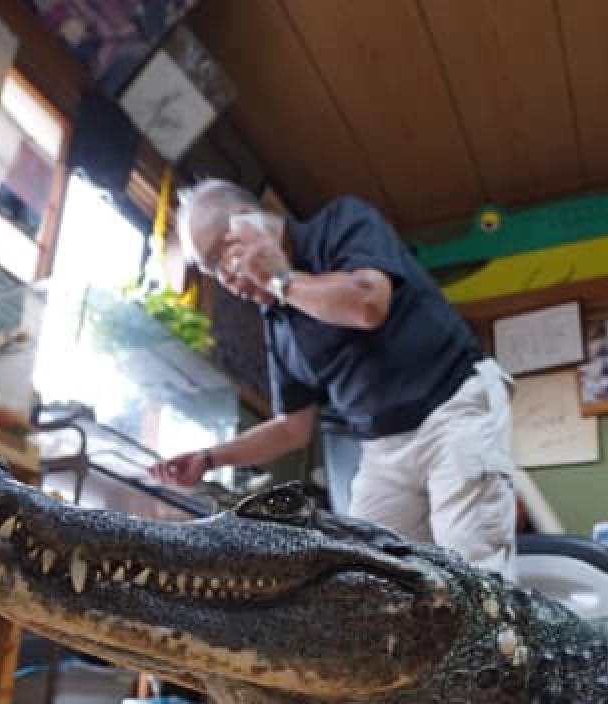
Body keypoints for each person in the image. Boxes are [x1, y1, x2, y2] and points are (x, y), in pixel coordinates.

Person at [156, 179, 517, 579]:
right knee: (368, 581)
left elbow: (368, 304)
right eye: (211, 273)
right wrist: (208, 458)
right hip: (382, 449)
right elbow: (292, 429)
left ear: (247, 223)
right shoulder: (277, 321)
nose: (226, 282)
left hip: (452, 406)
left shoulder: (340, 224)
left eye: (220, 258)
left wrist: (281, 279)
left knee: (474, 577)